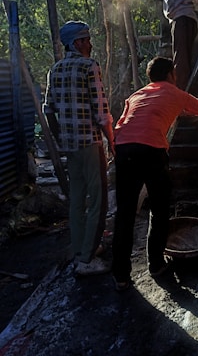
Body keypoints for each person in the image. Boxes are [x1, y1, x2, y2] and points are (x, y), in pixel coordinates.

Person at [112, 56, 198, 291]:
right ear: (170, 75)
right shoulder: (176, 93)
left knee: (124, 215)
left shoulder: (136, 96)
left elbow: (126, 122)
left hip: (124, 150)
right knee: (159, 208)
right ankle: (155, 265)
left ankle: (121, 276)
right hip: (151, 152)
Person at [43, 21, 115, 276]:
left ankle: (82, 249)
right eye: (85, 39)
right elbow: (101, 112)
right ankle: (86, 260)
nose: (90, 43)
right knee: (98, 200)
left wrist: (60, 137)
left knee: (77, 198)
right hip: (90, 143)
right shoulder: (88, 66)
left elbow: (48, 109)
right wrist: (112, 141)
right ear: (76, 43)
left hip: (71, 146)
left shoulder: (55, 69)